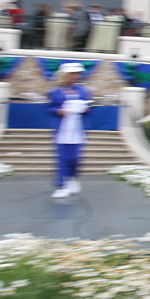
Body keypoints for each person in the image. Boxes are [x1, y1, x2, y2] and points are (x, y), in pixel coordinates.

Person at [47, 62, 92, 198]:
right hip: (63, 129)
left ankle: (73, 178)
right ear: (65, 75)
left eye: (76, 74)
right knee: (62, 158)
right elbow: (48, 108)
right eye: (72, 74)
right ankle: (62, 185)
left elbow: (89, 107)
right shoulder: (55, 92)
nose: (75, 76)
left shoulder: (83, 91)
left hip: (77, 129)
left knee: (75, 158)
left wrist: (86, 109)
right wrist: (58, 111)